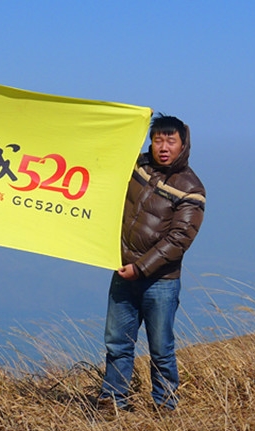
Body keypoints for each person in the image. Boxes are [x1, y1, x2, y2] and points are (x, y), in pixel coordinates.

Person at [97, 114, 206, 411]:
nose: (163, 146)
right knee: (117, 342)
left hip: (160, 282)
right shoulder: (137, 166)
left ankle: (165, 404)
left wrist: (141, 268)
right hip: (124, 272)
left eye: (170, 140)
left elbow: (179, 239)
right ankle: (114, 401)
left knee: (160, 349)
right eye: (158, 139)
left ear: (183, 144)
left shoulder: (191, 188)